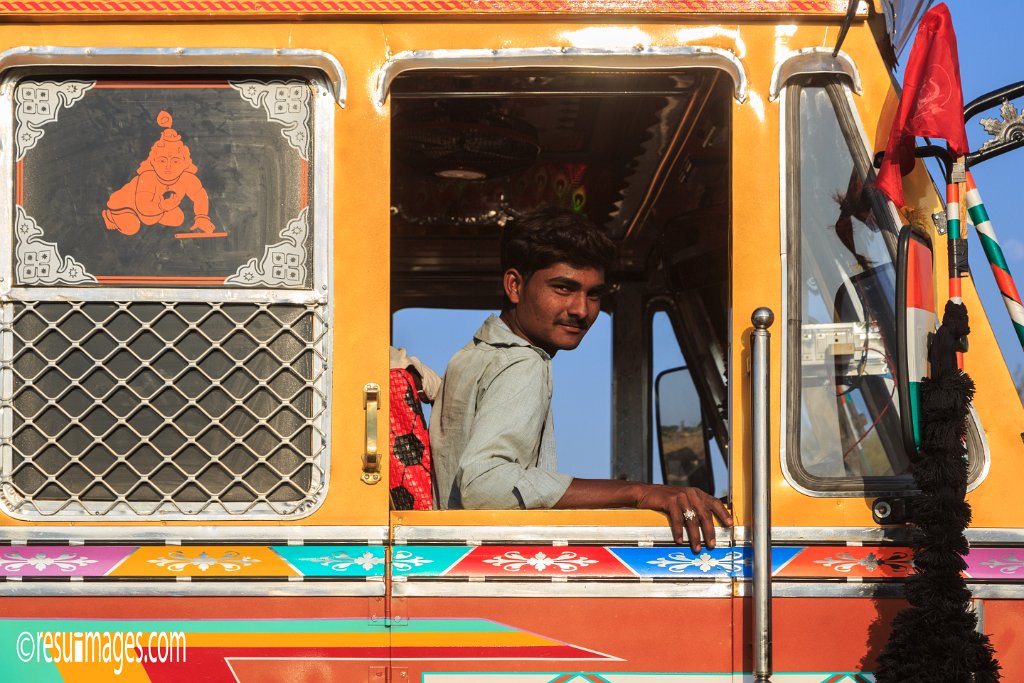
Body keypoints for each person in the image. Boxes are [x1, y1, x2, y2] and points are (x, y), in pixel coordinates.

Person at [429, 207, 732, 552]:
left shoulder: (475, 353)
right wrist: (640, 492)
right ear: (515, 286)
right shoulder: (522, 362)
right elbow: (484, 485)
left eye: (594, 294)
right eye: (563, 288)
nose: (582, 310)